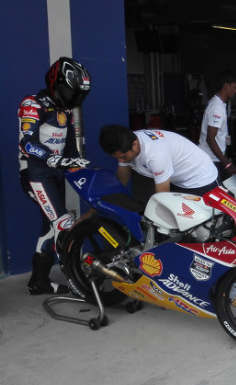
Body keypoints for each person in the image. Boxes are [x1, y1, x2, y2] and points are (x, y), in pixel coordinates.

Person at [18, 57, 91, 295]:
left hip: (55, 172)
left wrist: (79, 165)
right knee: (63, 224)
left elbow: (69, 146)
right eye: (70, 92)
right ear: (55, 83)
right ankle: (78, 282)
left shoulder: (65, 110)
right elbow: (26, 142)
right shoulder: (32, 103)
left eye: (78, 94)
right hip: (35, 173)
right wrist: (52, 158)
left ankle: (38, 281)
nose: (74, 98)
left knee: (50, 227)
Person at [99, 125, 219, 196]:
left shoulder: (156, 155)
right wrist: (106, 201)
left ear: (135, 144)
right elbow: (121, 181)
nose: (121, 161)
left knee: (200, 225)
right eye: (117, 158)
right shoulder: (126, 141)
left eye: (124, 157)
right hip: (179, 179)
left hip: (201, 178)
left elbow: (163, 196)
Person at [198, 74, 236, 181]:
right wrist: (227, 163)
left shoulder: (217, 103)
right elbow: (210, 138)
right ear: (226, 86)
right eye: (234, 87)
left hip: (215, 157)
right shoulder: (217, 107)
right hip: (212, 159)